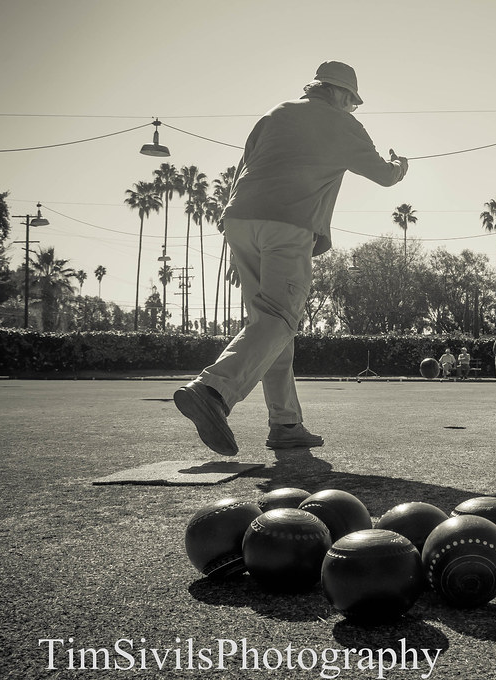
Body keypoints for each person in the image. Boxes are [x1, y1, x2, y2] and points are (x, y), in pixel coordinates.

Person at [173, 61, 409, 455]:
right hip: (287, 222)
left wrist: (232, 219)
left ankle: (286, 423)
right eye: (353, 101)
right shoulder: (342, 123)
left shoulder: (275, 113)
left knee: (269, 326)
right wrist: (401, 166)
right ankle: (212, 389)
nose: (353, 109)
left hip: (239, 218)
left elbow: (243, 166)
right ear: (341, 94)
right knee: (280, 319)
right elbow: (385, 176)